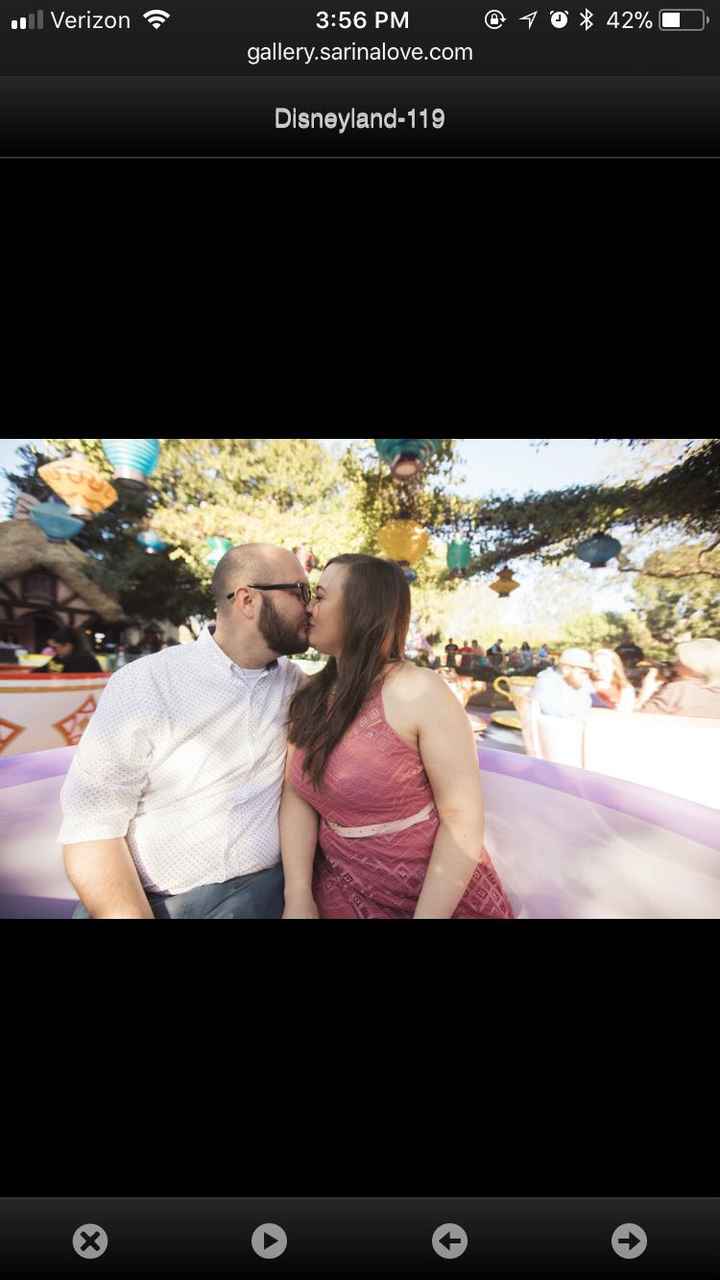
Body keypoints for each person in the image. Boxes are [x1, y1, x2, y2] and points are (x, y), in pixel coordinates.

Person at [59, 544, 312, 920]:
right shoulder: (145, 684)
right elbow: (92, 829)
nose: (310, 607)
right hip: (147, 904)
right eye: (300, 592)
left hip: (260, 896)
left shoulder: (298, 687)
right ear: (247, 600)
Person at [280, 554, 513, 920]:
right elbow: (297, 795)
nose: (308, 608)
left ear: (361, 609)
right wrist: (297, 895)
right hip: (340, 890)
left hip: (432, 900)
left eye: (321, 596)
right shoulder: (309, 694)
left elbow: (461, 818)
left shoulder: (421, 691)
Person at [635, 638, 720, 718]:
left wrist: (645, 693)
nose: (674, 666)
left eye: (679, 662)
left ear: (694, 666)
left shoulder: (680, 690)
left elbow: (636, 724)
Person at [532, 648, 594, 718]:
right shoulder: (547, 682)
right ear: (566, 669)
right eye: (583, 673)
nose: (587, 677)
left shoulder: (574, 682)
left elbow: (588, 700)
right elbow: (557, 711)